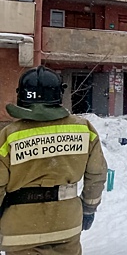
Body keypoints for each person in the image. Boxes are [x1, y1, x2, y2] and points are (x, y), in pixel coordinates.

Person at [0, 66, 108, 255]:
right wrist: (89, 209)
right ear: (59, 95)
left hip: (20, 230)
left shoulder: (9, 136)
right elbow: (96, 174)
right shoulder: (84, 129)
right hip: (67, 224)